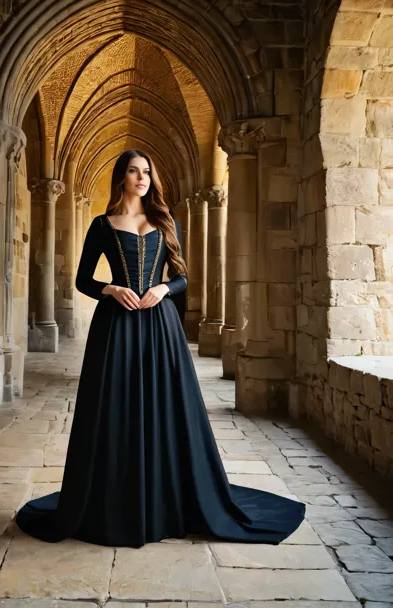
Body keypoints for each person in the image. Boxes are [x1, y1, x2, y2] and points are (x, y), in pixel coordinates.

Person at [16, 149, 306, 547]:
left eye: (147, 172)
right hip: (116, 326)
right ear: (121, 178)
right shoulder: (102, 225)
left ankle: (167, 499)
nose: (142, 178)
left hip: (159, 325)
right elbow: (83, 280)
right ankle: (113, 500)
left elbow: (182, 277)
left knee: (165, 407)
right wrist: (112, 289)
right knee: (115, 408)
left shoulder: (166, 221)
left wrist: (163, 288)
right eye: (134, 171)